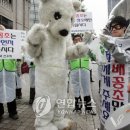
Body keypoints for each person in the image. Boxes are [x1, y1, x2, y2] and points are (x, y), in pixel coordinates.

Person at [98, 16, 129, 130]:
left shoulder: (128, 43)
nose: (114, 29)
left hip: (123, 90)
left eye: (117, 26)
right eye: (112, 27)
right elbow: (101, 61)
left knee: (122, 118)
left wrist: (110, 46)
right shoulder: (107, 43)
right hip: (108, 88)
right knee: (108, 113)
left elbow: (125, 58)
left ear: (125, 29)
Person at [69, 34, 96, 115]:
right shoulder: (70, 50)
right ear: (73, 41)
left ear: (82, 40)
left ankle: (89, 109)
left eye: (79, 39)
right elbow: (66, 60)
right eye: (75, 40)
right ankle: (78, 108)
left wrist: (91, 50)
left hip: (85, 70)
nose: (77, 41)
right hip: (74, 71)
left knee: (86, 89)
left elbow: (94, 57)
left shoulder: (87, 48)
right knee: (76, 89)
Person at [0, 25, 19, 120]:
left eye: (2, 31)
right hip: (0, 70)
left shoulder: (12, 42)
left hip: (9, 70)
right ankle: (0, 113)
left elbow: (18, 54)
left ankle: (13, 112)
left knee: (11, 91)